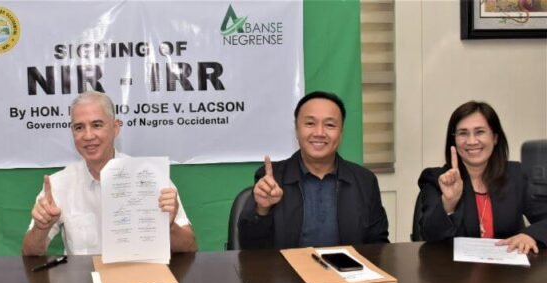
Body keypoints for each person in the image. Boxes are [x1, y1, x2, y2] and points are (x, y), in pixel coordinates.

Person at [21, 91, 197, 256]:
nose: (88, 136)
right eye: (79, 127)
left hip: (141, 279)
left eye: (97, 125)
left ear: (115, 128)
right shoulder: (58, 184)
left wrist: (169, 226)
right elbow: (29, 253)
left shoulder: (150, 177)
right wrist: (41, 228)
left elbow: (190, 248)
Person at [238, 91, 389, 249]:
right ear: (296, 130)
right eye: (310, 123)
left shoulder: (364, 180)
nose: (319, 133)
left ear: (341, 132)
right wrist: (262, 210)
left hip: (346, 272)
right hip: (287, 272)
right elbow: (250, 250)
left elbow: (378, 246)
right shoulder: (272, 179)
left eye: (330, 125)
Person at [417, 101, 547, 253]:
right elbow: (429, 237)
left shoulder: (517, 175)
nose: (472, 141)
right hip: (454, 273)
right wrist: (449, 203)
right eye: (463, 133)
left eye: (479, 132)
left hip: (509, 273)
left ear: (495, 137)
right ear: (454, 141)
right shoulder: (436, 179)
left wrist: (530, 235)